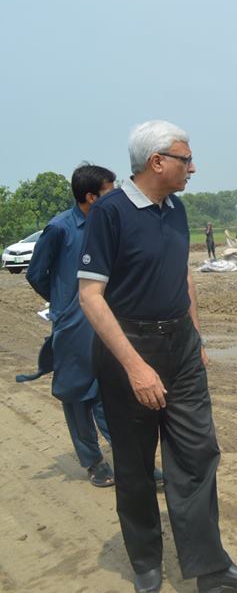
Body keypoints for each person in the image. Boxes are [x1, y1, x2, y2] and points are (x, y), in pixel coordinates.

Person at [78, 121, 237, 593]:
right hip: (129, 349)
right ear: (158, 162)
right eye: (187, 159)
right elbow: (90, 296)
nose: (194, 167)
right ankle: (147, 565)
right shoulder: (110, 212)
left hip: (181, 346)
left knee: (196, 455)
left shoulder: (177, 207)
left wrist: (197, 338)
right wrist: (135, 366)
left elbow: (181, 274)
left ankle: (211, 570)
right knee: (133, 464)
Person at [26, 164, 117, 487]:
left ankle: (129, 459)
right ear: (91, 197)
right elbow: (36, 273)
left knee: (110, 390)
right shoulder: (60, 229)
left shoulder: (108, 225)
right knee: (77, 393)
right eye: (110, 190)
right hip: (73, 324)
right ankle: (93, 462)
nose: (116, 195)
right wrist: (63, 304)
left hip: (106, 319)